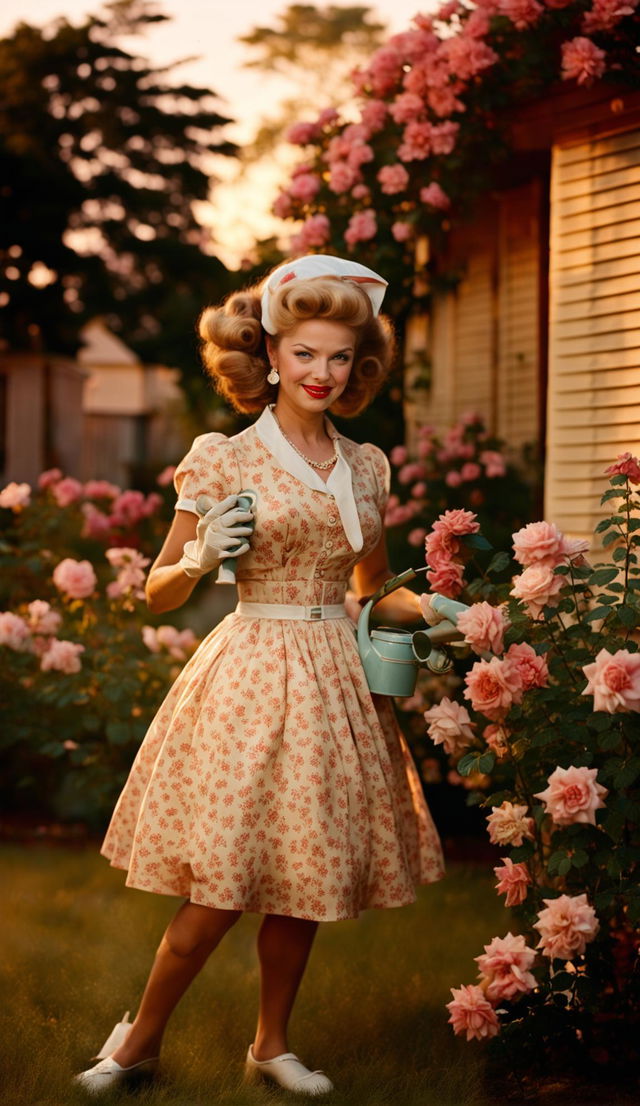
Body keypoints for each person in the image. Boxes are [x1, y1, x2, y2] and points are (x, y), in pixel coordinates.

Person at [75, 254, 445, 1096]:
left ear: (360, 365)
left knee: (300, 881)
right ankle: (136, 1043)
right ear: (271, 354)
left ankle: (270, 1045)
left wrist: (441, 617)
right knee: (218, 886)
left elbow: (371, 594)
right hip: (247, 676)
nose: (323, 372)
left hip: (331, 684)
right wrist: (203, 556)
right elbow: (156, 593)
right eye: (306, 353)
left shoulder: (364, 467)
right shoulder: (223, 458)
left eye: (341, 356)